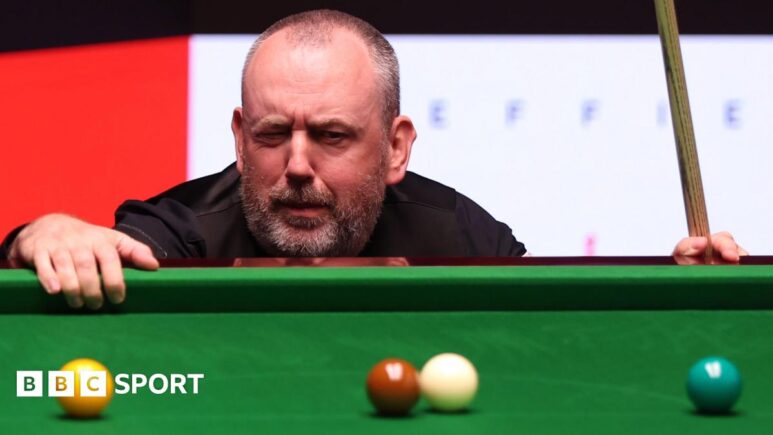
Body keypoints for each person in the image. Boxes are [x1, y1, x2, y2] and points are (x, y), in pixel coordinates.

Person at [0, 10, 746, 310]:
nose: (296, 165)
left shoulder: (461, 235)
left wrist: (684, 293)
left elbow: (564, 342)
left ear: (395, 147)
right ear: (238, 137)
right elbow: (97, 255)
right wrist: (41, 233)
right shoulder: (185, 227)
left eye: (331, 136)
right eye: (271, 135)